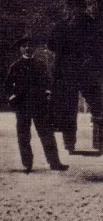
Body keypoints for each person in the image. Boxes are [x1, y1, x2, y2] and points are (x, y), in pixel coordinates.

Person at [49, 0, 103, 154]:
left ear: (83, 8)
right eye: (72, 7)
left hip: (86, 71)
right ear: (69, 8)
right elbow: (51, 44)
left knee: (96, 105)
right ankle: (69, 143)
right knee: (67, 107)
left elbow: (97, 48)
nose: (75, 10)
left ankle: (98, 141)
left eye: (78, 7)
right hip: (67, 72)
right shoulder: (61, 26)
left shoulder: (91, 24)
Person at [4, 35, 68, 172]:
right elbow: (7, 86)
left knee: (47, 134)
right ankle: (27, 164)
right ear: (21, 49)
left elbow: (48, 82)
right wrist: (12, 97)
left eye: (30, 46)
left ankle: (55, 163)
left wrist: (48, 93)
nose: (28, 48)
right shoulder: (15, 66)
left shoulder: (40, 65)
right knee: (23, 135)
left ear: (34, 48)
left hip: (39, 105)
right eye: (24, 46)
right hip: (22, 105)